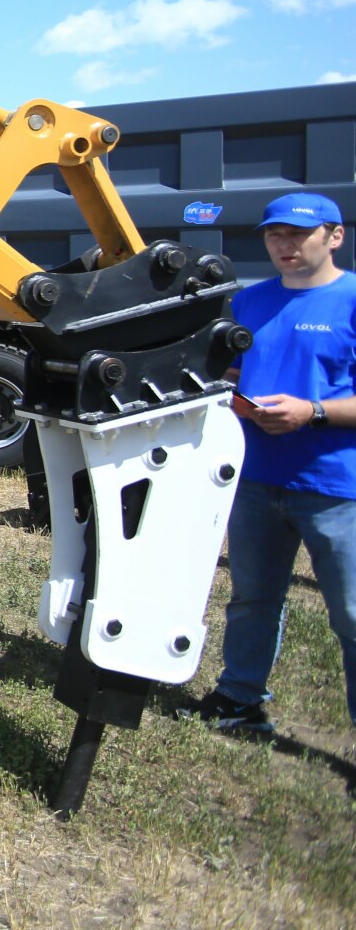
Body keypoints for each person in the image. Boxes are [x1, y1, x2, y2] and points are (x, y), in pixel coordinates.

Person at [178, 193, 356, 734]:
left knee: (351, 615)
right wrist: (233, 399)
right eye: (275, 235)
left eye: (298, 234)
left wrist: (313, 411)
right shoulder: (250, 302)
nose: (285, 245)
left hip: (335, 486)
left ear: (335, 236)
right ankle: (240, 698)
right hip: (256, 479)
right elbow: (230, 375)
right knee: (252, 598)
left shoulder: (350, 300)